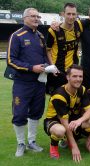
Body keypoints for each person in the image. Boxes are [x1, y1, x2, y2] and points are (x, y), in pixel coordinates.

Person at [6, 7, 50, 157]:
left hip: (39, 82)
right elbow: (11, 61)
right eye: (33, 16)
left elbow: (45, 56)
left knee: (36, 113)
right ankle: (20, 143)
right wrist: (32, 68)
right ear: (25, 18)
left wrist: (48, 67)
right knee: (19, 114)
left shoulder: (40, 36)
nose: (36, 19)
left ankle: (31, 142)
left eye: (38, 16)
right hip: (22, 83)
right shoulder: (17, 35)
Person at [44, 65, 90, 162]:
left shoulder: (82, 89)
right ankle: (54, 145)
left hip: (73, 121)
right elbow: (64, 123)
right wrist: (74, 147)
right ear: (67, 77)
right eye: (74, 76)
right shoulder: (59, 95)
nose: (78, 79)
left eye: (80, 76)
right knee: (60, 131)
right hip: (55, 122)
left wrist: (80, 121)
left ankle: (82, 138)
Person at [46, 3, 83, 94]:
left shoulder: (79, 26)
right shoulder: (53, 30)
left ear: (76, 14)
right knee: (56, 101)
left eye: (73, 14)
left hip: (73, 72)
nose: (71, 17)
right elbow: (47, 50)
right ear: (63, 14)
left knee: (72, 100)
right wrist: (52, 66)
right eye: (68, 14)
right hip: (57, 72)